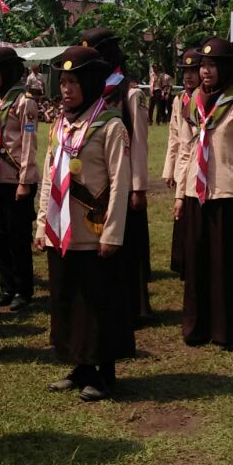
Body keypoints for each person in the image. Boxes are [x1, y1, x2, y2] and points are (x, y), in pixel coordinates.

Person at [34, 46, 133, 401]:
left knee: (97, 303)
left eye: (74, 82)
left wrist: (113, 234)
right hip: (62, 231)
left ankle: (104, 374)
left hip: (94, 230)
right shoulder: (60, 125)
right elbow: (49, 177)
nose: (66, 89)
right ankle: (79, 366)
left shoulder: (111, 125)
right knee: (68, 299)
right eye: (63, 82)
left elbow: (120, 184)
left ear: (91, 84)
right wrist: (41, 224)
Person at [173, 38, 233, 347]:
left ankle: (229, 329)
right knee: (198, 262)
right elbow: (187, 149)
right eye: (203, 65)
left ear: (227, 68)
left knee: (227, 266)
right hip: (197, 193)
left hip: (228, 194)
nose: (205, 71)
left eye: (212, 65)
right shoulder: (194, 101)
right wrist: (180, 194)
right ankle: (198, 326)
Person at [79, 28, 152, 326]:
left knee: (128, 246)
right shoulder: (92, 92)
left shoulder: (130, 93)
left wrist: (138, 187)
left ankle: (135, 307)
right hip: (98, 184)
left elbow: (140, 143)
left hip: (124, 181)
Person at [0, 46, 39, 313]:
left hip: (16, 178)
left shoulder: (25, 102)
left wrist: (25, 182)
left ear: (6, 70)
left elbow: (29, 143)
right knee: (0, 237)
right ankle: (7, 288)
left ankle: (22, 289)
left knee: (18, 238)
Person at [163, 49, 201, 274]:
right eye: (185, 71)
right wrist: (170, 169)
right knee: (181, 215)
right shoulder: (179, 100)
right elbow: (174, 136)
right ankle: (182, 262)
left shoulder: (205, 99)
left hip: (197, 164)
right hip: (182, 163)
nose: (188, 76)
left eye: (193, 70)